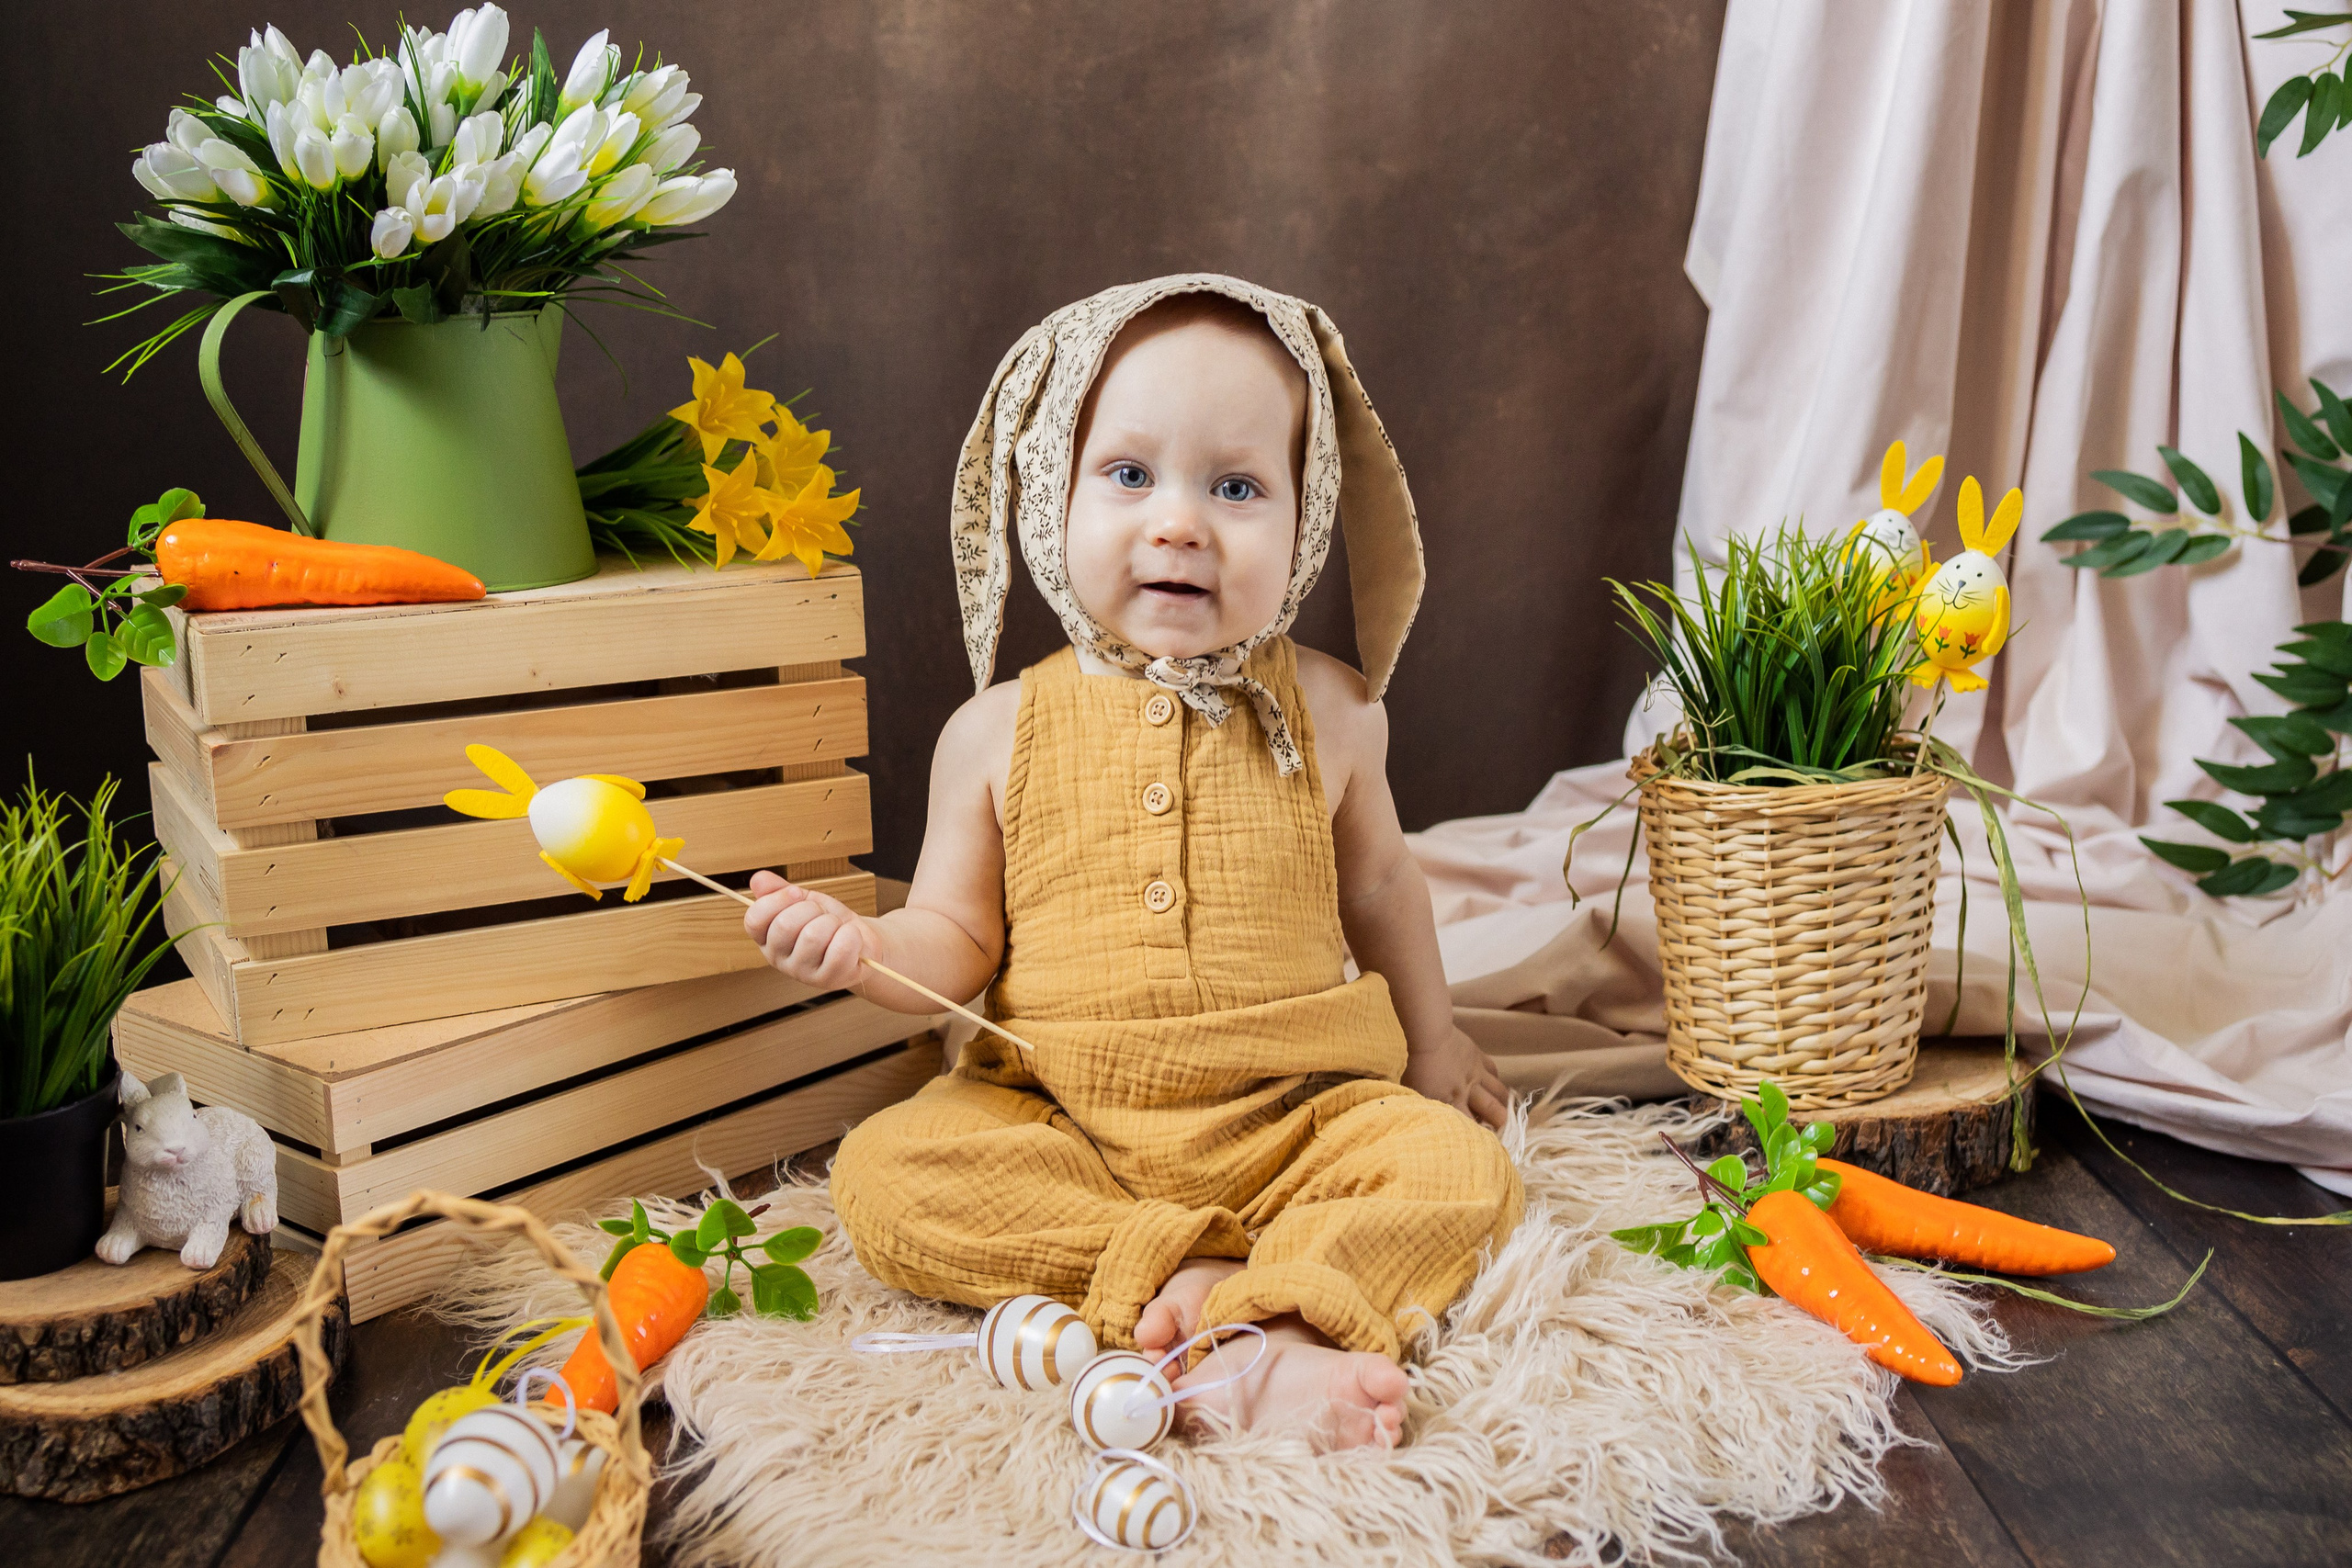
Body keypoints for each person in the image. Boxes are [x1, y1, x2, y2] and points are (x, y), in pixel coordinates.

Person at [746, 275, 1521, 1451]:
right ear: (1051, 487)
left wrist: (1432, 1040)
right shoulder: (997, 730)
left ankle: (1278, 1317)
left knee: (1455, 1170)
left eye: (1238, 487)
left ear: (1307, 518)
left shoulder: (1333, 709)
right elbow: (954, 940)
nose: (1178, 523)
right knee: (887, 1176)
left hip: (1300, 1115)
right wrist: (862, 950)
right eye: (1127, 475)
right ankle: (1195, 1276)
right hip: (1066, 1120)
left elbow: (1378, 888)